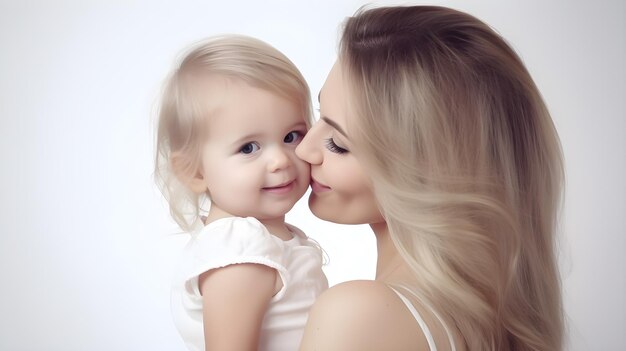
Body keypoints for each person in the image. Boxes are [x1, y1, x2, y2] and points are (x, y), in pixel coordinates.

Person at [296, 5, 564, 351]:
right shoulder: (485, 320)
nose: (304, 150)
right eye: (319, 116)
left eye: (337, 144)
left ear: (423, 171)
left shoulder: (358, 315)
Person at [153, 35, 328, 351]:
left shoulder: (259, 239)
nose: (279, 160)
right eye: (249, 147)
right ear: (195, 172)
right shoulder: (240, 250)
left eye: (292, 136)